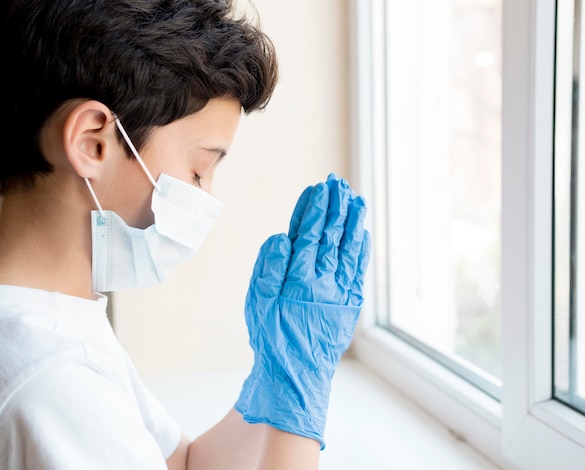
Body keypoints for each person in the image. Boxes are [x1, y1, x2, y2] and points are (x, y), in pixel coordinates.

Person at [0, 0, 371, 469]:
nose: (207, 198)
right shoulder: (52, 386)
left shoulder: (57, 319)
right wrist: (300, 408)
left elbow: (184, 463)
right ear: (92, 143)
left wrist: (276, 382)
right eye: (198, 171)